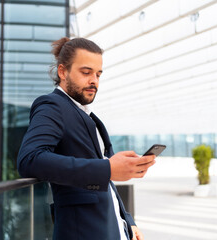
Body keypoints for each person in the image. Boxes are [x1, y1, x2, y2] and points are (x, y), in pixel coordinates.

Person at [17, 37, 156, 240]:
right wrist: (108, 168)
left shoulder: (89, 116)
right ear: (62, 72)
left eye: (98, 74)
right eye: (86, 72)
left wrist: (127, 221)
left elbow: (105, 183)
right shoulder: (52, 105)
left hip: (112, 228)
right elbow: (30, 159)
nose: (94, 81)